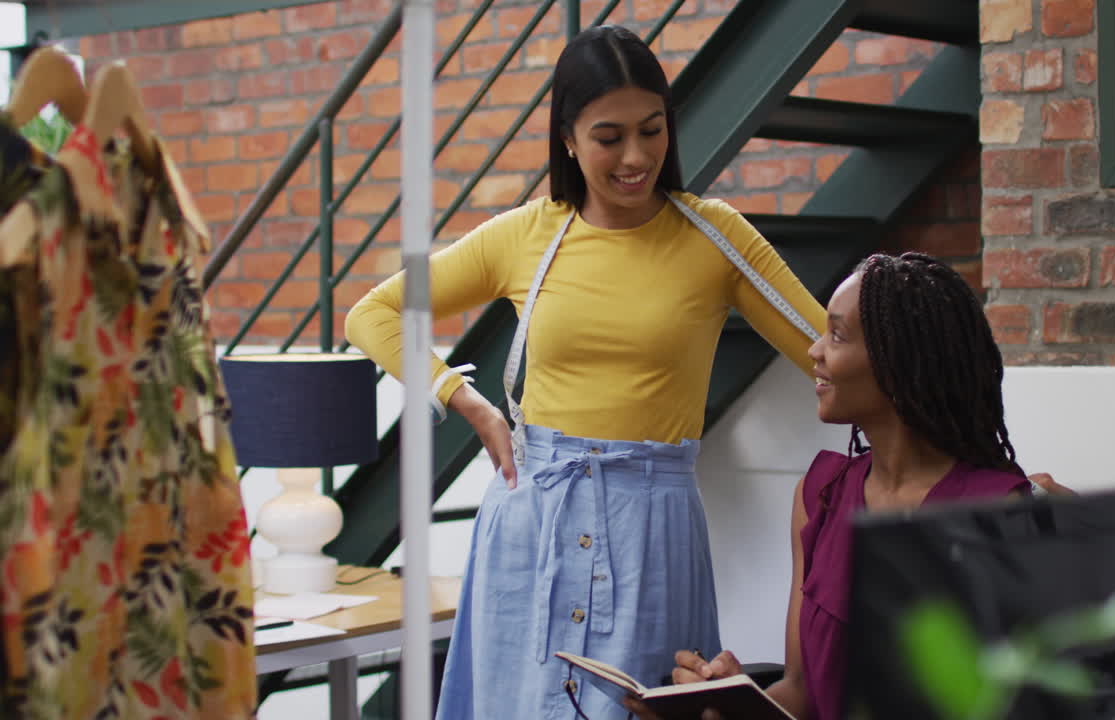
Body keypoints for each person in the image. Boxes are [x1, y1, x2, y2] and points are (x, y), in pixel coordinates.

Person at [345, 25, 827, 720]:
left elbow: (828, 348)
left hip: (651, 532)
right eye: (609, 137)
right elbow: (376, 311)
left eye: (652, 130)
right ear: (567, 138)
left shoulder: (714, 238)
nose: (637, 157)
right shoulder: (524, 236)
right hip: (530, 522)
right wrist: (469, 403)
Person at [624, 252, 1043, 720]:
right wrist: (733, 701)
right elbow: (799, 692)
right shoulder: (819, 496)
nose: (815, 350)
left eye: (837, 335)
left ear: (898, 363)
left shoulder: (994, 512)